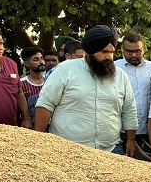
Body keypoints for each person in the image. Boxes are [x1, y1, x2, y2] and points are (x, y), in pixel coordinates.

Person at [35, 25, 138, 156]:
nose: (109, 57)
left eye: (111, 52)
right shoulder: (65, 70)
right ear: (90, 51)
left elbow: (129, 110)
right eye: (104, 52)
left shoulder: (120, 76)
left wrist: (130, 141)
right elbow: (45, 104)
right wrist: (38, 141)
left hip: (111, 149)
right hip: (67, 149)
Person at [115, 32, 151, 147]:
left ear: (143, 49)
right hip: (123, 130)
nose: (133, 55)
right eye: (129, 51)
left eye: (137, 51)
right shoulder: (115, 68)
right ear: (123, 50)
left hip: (148, 130)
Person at [20, 46, 46, 127]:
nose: (41, 62)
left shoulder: (51, 81)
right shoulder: (21, 84)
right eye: (36, 60)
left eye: (41, 58)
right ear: (27, 64)